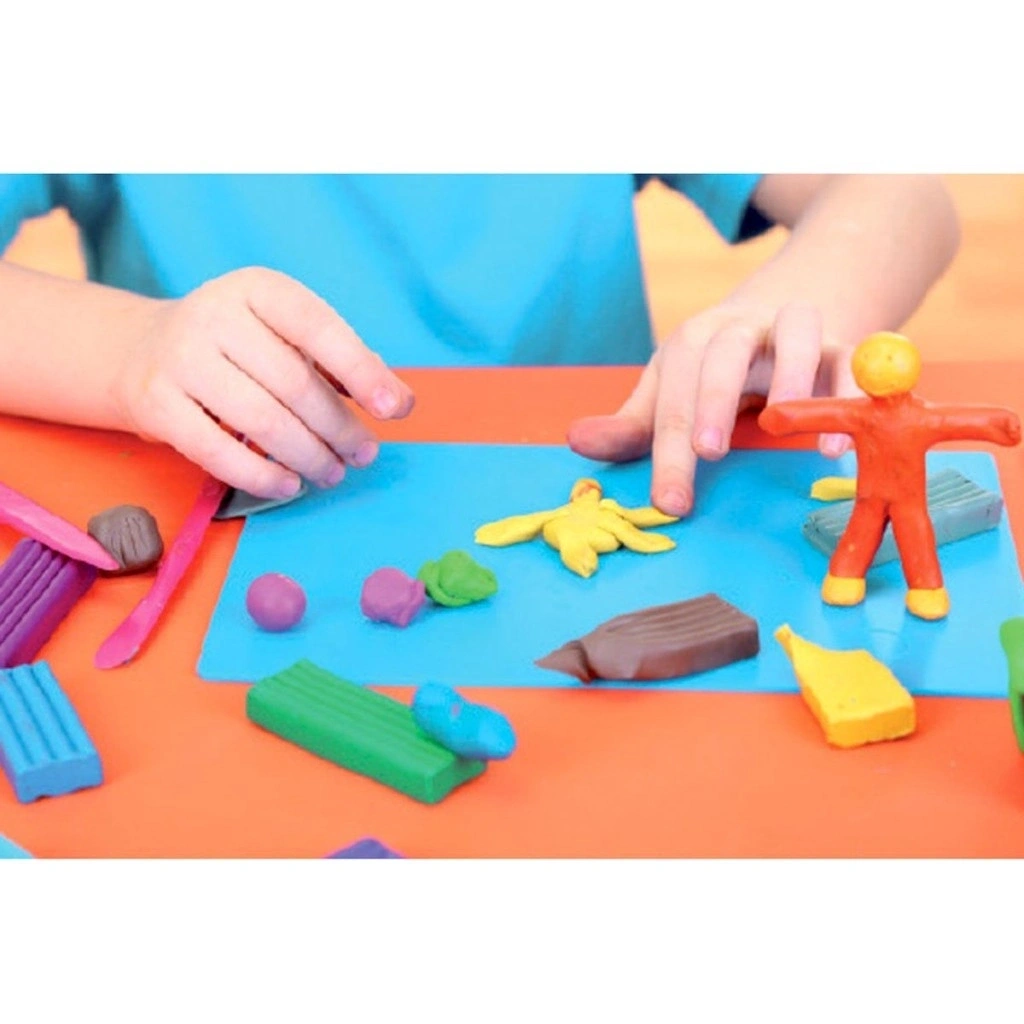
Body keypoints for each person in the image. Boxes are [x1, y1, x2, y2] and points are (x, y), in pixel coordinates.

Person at [0, 174, 959, 513]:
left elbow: (900, 191)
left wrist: (796, 305)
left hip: (611, 489)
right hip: (219, 512)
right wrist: (130, 348)